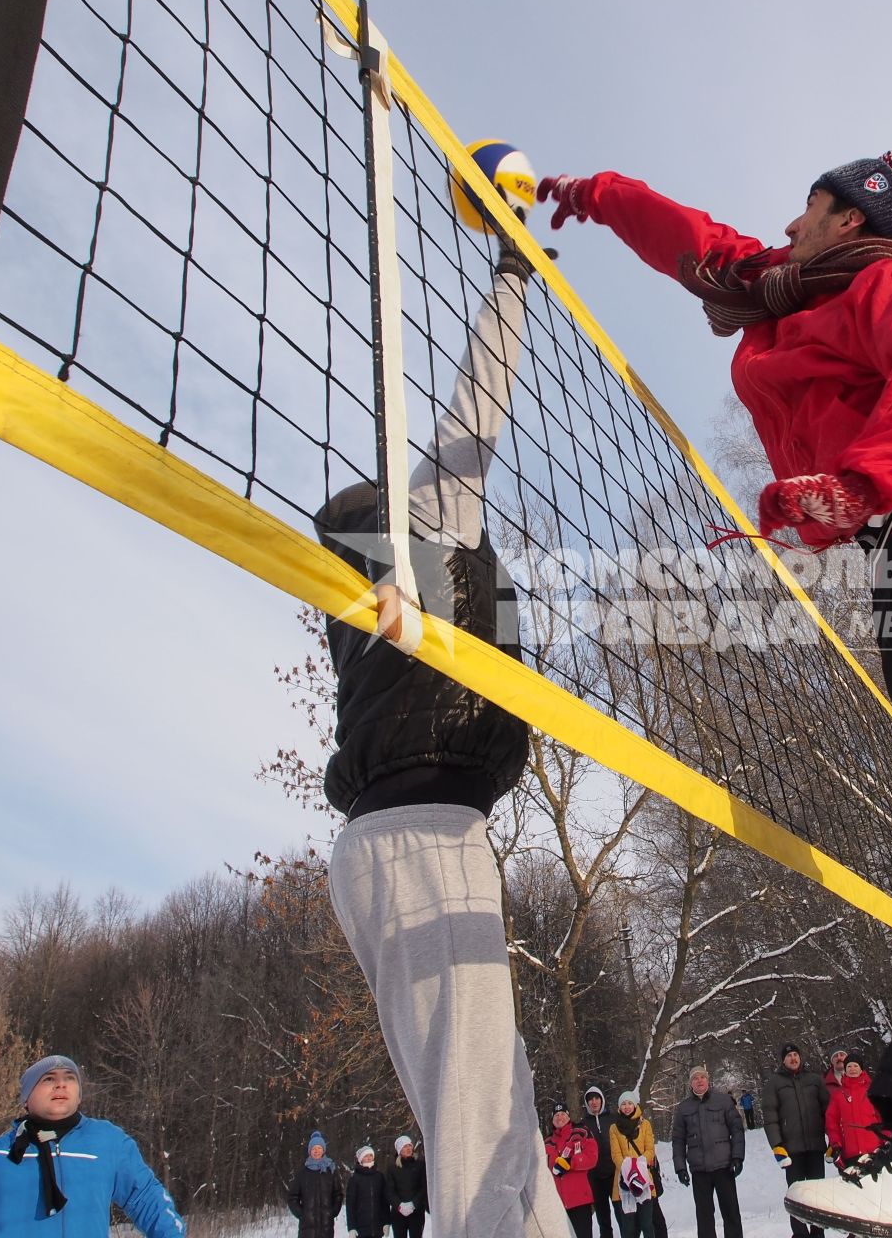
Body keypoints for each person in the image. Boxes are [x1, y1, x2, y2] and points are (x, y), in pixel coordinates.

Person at [536, 152, 892, 1238]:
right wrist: (592, 196)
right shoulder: (786, 291)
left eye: (807, 206)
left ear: (847, 217)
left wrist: (859, 480)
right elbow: (696, 243)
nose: (787, 220)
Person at [316, 220, 574, 1238]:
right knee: (478, 1133)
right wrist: (514, 271)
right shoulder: (421, 541)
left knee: (495, 1117)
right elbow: (479, 407)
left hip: (409, 837)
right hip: (422, 836)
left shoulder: (382, 601)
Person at [0, 1055, 185, 1238]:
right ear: (26, 1098)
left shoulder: (108, 1143)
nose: (61, 1085)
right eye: (48, 1079)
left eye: (69, 1078)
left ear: (79, 1095)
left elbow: (148, 1199)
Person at [761, 1044, 830, 1238]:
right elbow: (770, 1116)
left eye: (795, 1055)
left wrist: (834, 1140)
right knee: (797, 1195)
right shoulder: (774, 1083)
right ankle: (800, 1234)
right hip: (791, 1150)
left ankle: (818, 1234)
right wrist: (777, 1146)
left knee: (817, 1195)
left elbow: (829, 1112)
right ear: (783, 1060)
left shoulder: (815, 1080)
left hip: (815, 1146)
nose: (793, 1058)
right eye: (789, 1056)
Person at [670, 1065, 745, 1238]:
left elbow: (737, 1129)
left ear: (708, 1079)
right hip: (699, 1171)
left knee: (731, 1212)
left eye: (702, 1077)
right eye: (695, 1078)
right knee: (704, 1217)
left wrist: (738, 1156)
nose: (699, 1081)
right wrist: (680, 1167)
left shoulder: (723, 1101)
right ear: (691, 1084)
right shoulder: (683, 1108)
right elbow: (678, 1140)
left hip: (724, 1167)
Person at [545, 1103, 601, 1238]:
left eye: (563, 1114)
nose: (559, 1118)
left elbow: (592, 1157)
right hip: (557, 1203)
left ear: (568, 1116)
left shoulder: (581, 1131)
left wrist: (571, 1163)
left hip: (579, 1200)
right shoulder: (546, 1142)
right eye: (556, 1115)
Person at [608, 1093, 659, 1238]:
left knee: (647, 1225)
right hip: (623, 1182)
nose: (627, 1107)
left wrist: (639, 1165)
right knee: (629, 1229)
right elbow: (615, 1154)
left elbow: (650, 1150)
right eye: (623, 1104)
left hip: (643, 1179)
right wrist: (628, 1168)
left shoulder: (645, 1124)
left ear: (635, 1105)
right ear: (619, 1107)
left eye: (629, 1103)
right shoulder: (614, 1128)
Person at [825, 1054, 884, 1168]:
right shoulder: (838, 1095)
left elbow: (883, 1116)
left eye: (855, 1066)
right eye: (849, 1066)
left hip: (875, 1149)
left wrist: (887, 1138)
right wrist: (836, 1144)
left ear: (861, 1069)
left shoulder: (872, 1091)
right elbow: (832, 1122)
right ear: (845, 1070)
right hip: (851, 1153)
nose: (852, 1069)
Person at [289, 1131, 345, 1238]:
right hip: (307, 1229)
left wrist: (333, 1212)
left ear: (323, 1150)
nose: (316, 1151)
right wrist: (302, 1214)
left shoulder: (331, 1170)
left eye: (319, 1148)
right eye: (314, 1149)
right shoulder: (302, 1173)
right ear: (310, 1151)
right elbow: (292, 1197)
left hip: (326, 1227)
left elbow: (338, 1194)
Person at [579, 1088, 615, 1238]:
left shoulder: (613, 1119)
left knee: (623, 1216)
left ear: (602, 1100)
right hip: (595, 1178)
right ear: (587, 1103)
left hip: (614, 1175)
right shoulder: (583, 1125)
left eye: (596, 1098)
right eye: (590, 1099)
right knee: (603, 1219)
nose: (594, 1102)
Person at [387, 1136, 428, 1238]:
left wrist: (413, 1204)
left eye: (410, 1145)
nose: (408, 1148)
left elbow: (424, 1187)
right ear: (399, 1150)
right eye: (405, 1146)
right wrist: (399, 1205)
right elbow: (389, 1191)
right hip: (398, 1213)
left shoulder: (420, 1164)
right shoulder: (392, 1168)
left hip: (416, 1212)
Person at [348, 1147, 392, 1238]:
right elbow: (350, 1204)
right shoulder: (354, 1178)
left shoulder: (379, 1176)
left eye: (371, 1155)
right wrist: (351, 1227)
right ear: (360, 1159)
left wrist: (386, 1222)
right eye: (366, 1156)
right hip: (361, 1227)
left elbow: (384, 1202)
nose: (369, 1158)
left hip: (378, 1226)